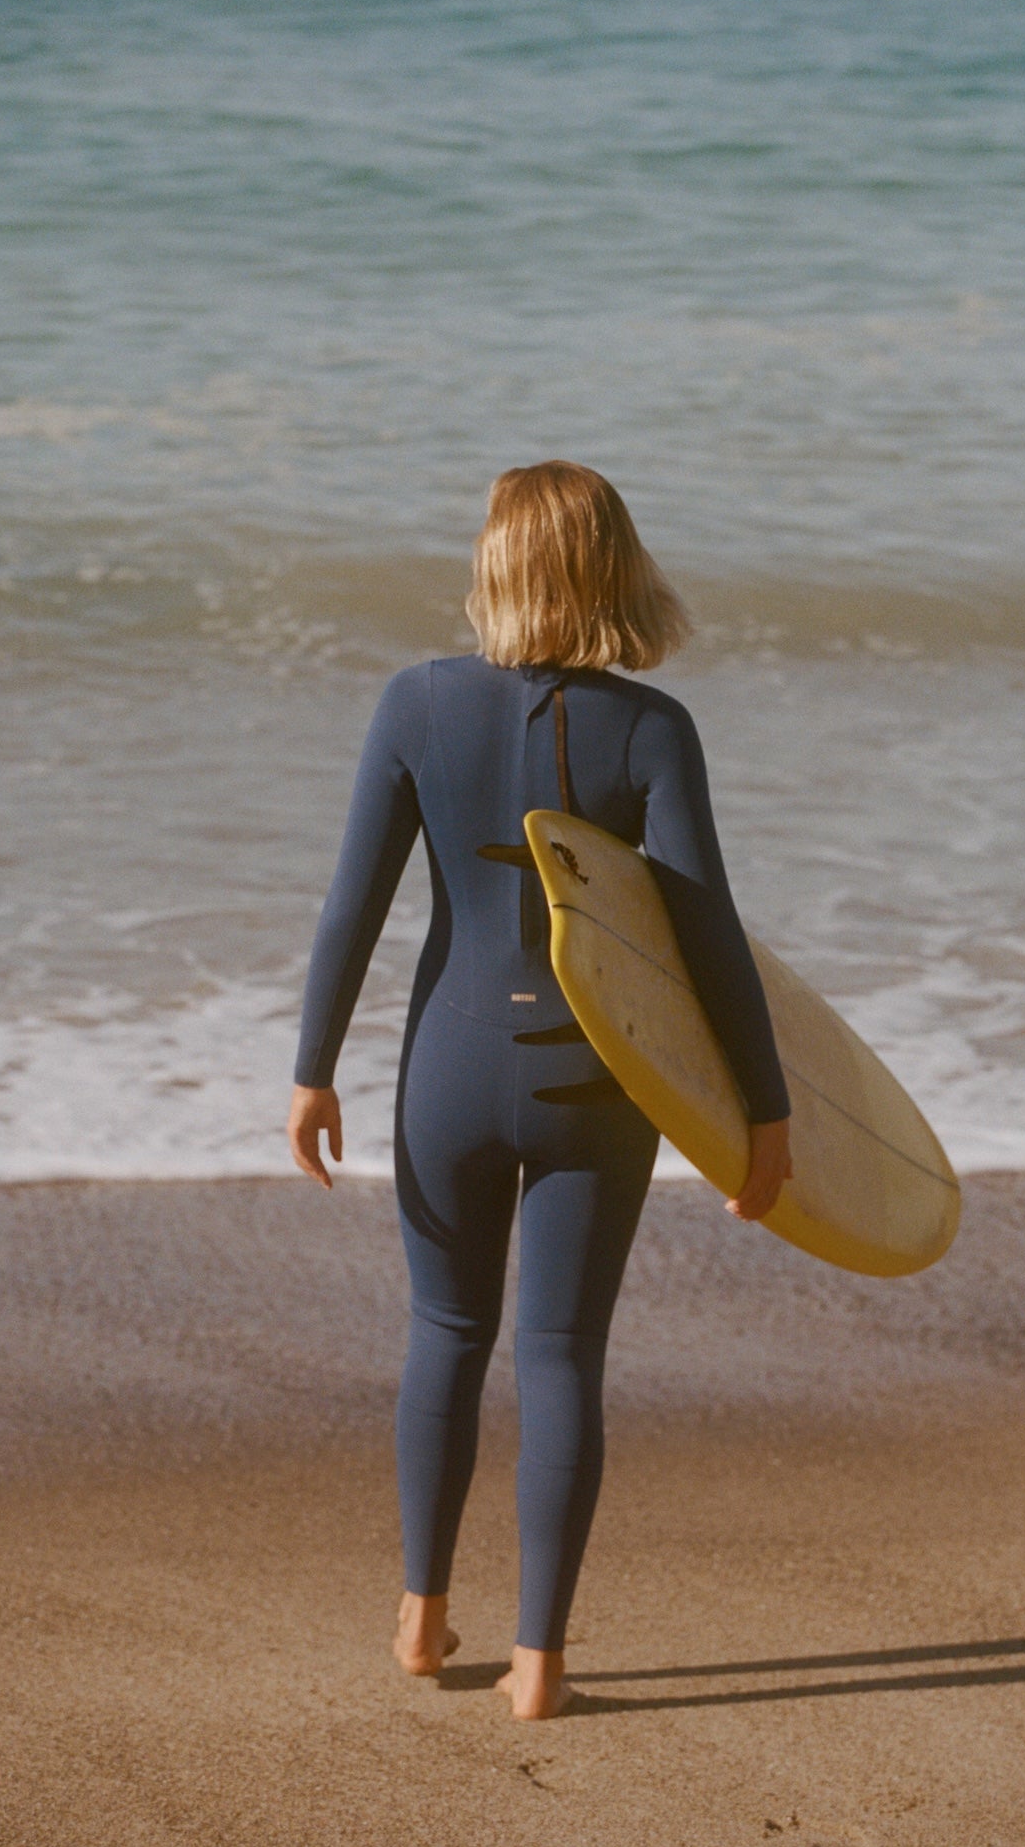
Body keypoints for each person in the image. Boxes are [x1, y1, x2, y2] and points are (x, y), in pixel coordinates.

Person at [287, 461, 791, 1720]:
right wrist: (764, 1113)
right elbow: (706, 936)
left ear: (494, 564)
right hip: (593, 1085)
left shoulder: (414, 703)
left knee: (445, 1337)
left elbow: (354, 903)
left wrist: (311, 1069)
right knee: (562, 1354)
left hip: (446, 1074)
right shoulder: (650, 729)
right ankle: (539, 1668)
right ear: (617, 566)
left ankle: (420, 1620)